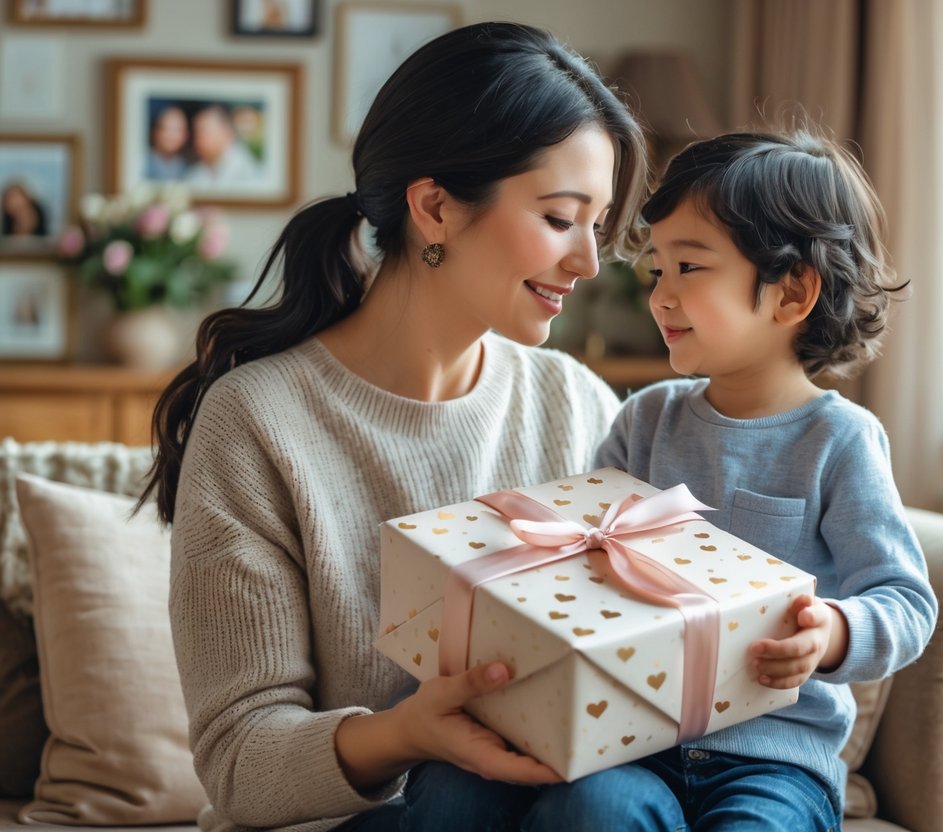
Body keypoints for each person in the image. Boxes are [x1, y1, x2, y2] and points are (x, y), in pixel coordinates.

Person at [139, 21, 647, 831]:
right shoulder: (256, 423)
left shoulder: (578, 404)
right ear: (435, 207)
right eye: (560, 219)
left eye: (599, 224)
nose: (588, 262)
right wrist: (409, 733)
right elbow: (239, 763)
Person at [534, 131, 940, 830]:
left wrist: (833, 632)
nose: (660, 296)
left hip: (776, 758)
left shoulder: (838, 441)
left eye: (688, 267)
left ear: (791, 294)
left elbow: (906, 601)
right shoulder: (645, 422)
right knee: (588, 811)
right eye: (655, 271)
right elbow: (582, 568)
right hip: (634, 742)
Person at [185, 103, 264, 186]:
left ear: (227, 131)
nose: (197, 139)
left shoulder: (247, 170)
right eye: (196, 133)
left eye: (203, 131)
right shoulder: (196, 172)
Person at [145, 104, 191, 181]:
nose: (171, 136)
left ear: (185, 135)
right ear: (156, 132)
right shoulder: (142, 163)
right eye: (167, 129)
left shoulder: (187, 168)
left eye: (177, 130)